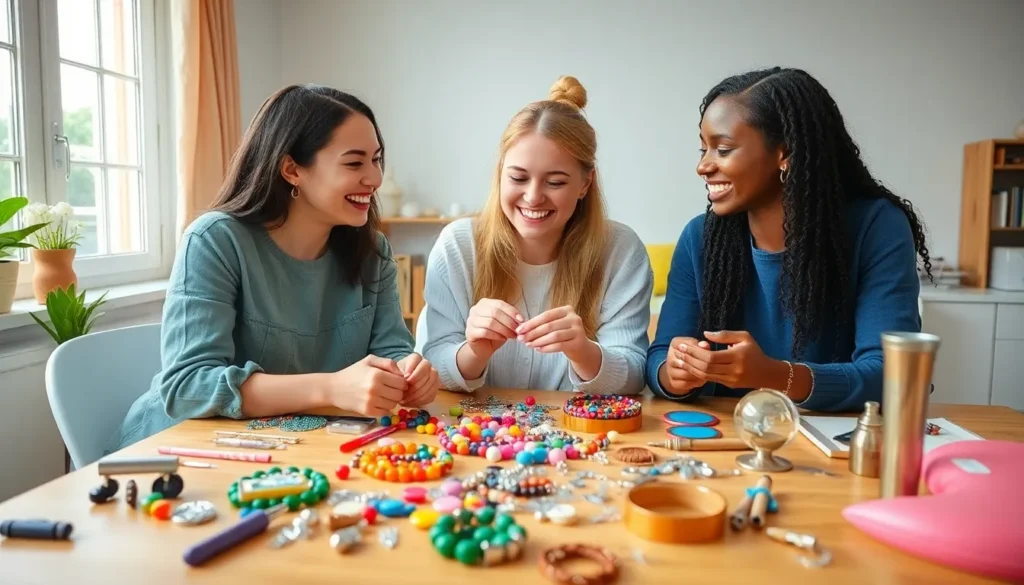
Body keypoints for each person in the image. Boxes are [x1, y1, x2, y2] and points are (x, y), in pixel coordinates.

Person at [109, 85, 439, 452]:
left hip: (295, 447)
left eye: (377, 160)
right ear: (292, 169)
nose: (375, 179)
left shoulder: (373, 252)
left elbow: (392, 348)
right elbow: (188, 387)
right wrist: (330, 387)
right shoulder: (214, 242)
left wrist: (408, 374)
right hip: (177, 451)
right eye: (354, 162)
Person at [647, 67, 932, 412]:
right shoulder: (700, 237)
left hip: (840, 445)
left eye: (722, 149)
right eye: (703, 149)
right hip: (724, 442)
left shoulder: (876, 227)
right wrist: (674, 373)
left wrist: (776, 376)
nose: (703, 166)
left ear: (785, 153)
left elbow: (892, 374)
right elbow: (660, 356)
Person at [420, 76, 653, 394]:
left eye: (555, 182)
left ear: (585, 184)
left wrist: (583, 352)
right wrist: (475, 351)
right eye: (518, 177)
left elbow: (635, 375)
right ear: (500, 172)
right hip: (474, 433)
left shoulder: (621, 251)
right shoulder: (459, 246)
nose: (533, 197)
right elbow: (430, 367)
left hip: (577, 435)